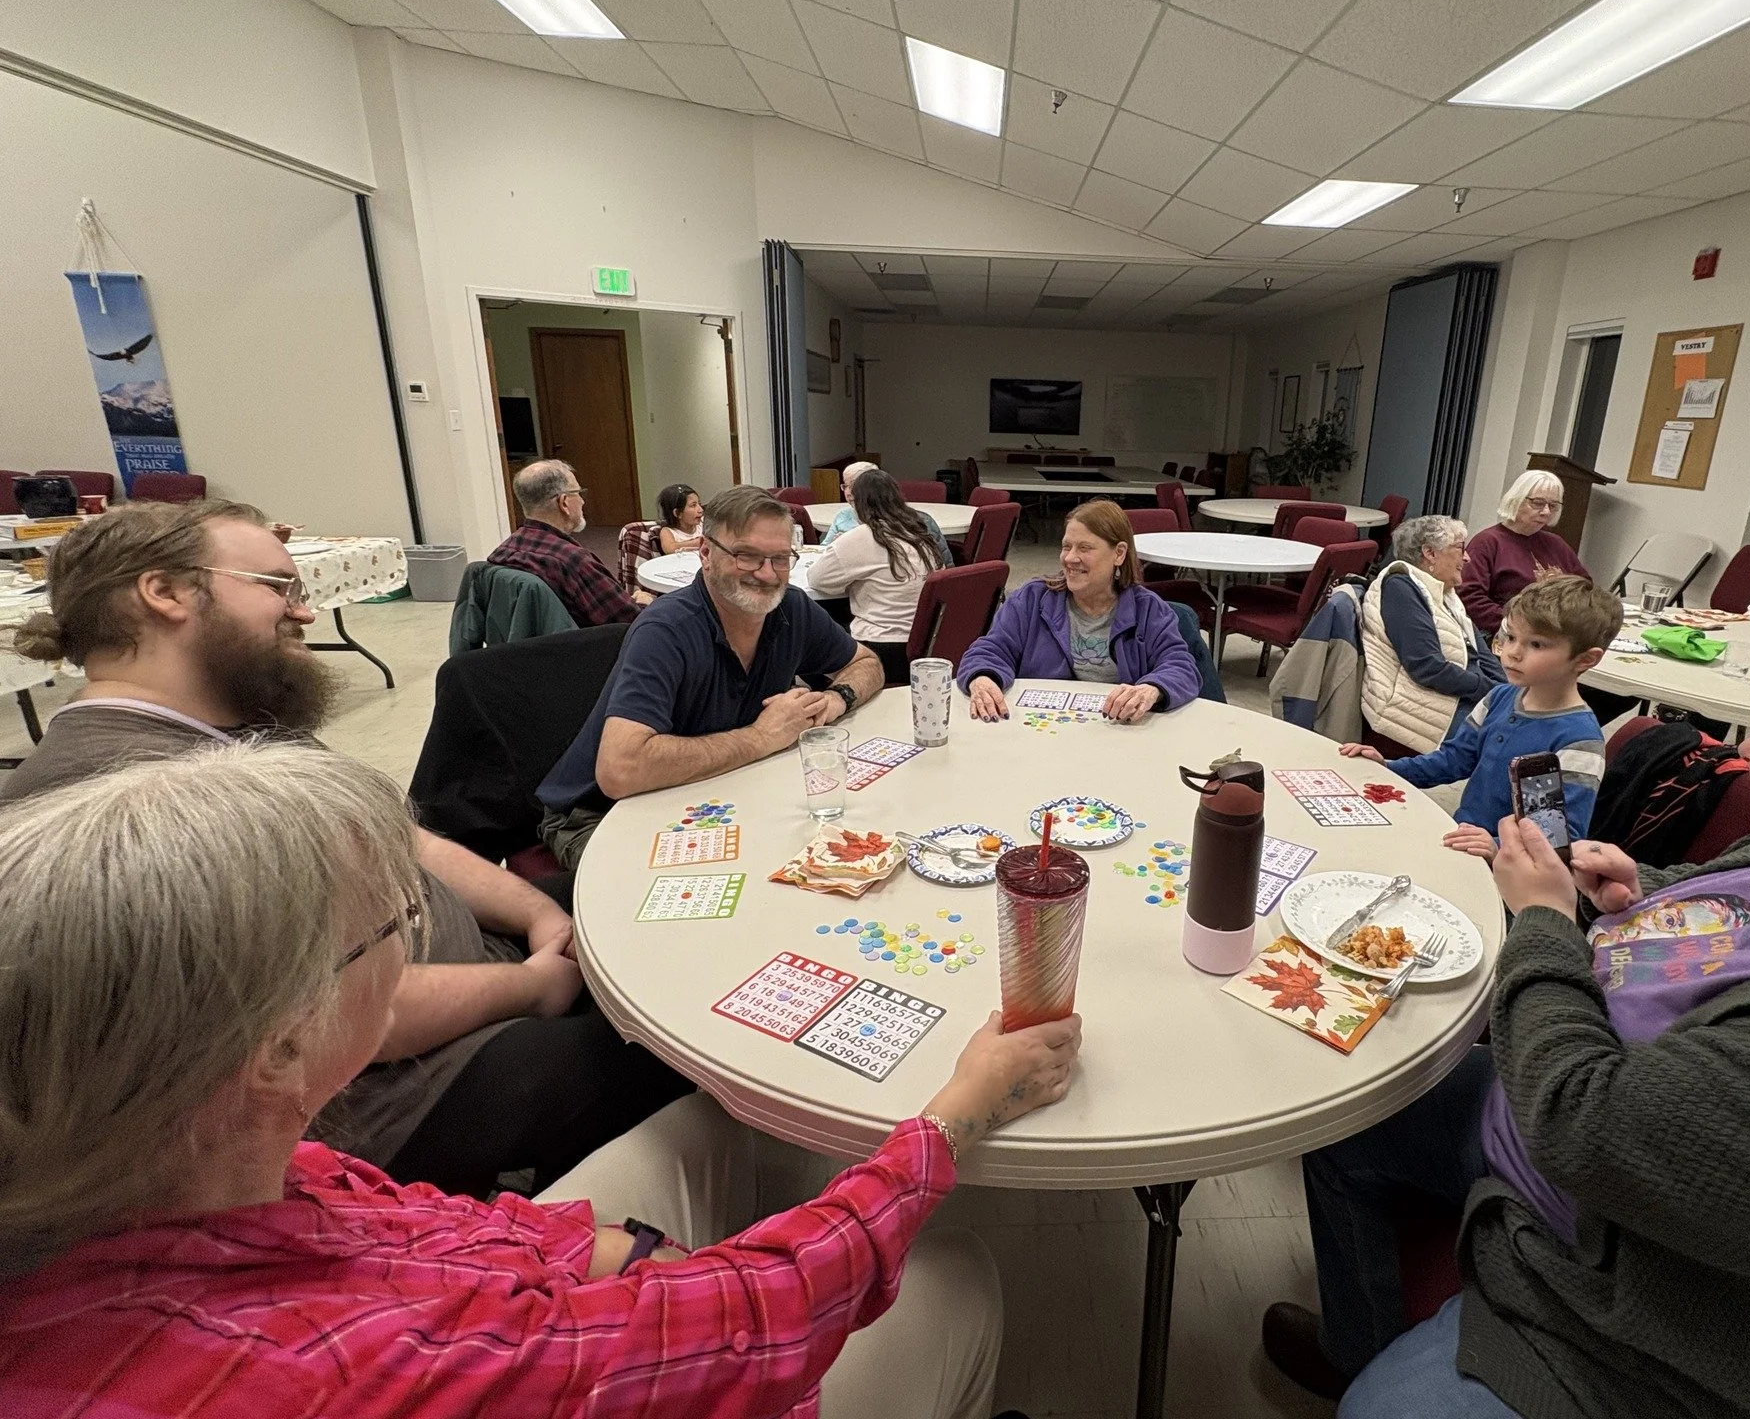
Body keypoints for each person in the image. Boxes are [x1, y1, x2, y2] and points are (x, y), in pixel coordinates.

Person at [0, 741, 1082, 1419]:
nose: (417, 933)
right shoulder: (353, 1372)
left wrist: (622, 1257)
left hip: (514, 1303)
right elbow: (782, 1306)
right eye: (395, 923)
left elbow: (416, 1230)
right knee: (956, 1278)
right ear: (283, 1043)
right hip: (539, 1344)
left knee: (706, 1130)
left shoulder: (218, 1156)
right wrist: (954, 1112)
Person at [1264, 614, 1750, 1418]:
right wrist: (1642, 894)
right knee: (1357, 1116)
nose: (1746, 759)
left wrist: (1543, 924)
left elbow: (1582, 1125)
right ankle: (1351, 1340)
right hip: (1582, 1130)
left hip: (1647, 1306)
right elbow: (1734, 915)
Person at [0, 500, 688, 1194]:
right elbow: (342, 1016)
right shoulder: (130, 810)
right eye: (278, 587)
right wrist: (534, 986)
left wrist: (538, 916)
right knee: (673, 1047)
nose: (303, 614)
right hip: (405, 1088)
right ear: (165, 592)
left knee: (640, 888)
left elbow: (402, 837)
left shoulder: (230, 721)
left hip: (460, 966)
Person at [538, 486, 885, 871]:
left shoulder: (791, 608)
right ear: (705, 553)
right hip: (599, 814)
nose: (767, 574)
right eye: (746, 556)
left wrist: (837, 697)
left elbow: (867, 663)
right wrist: (760, 737)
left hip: (709, 790)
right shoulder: (666, 630)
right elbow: (620, 770)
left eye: (780, 558)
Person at [1342, 575, 1617, 860]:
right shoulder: (1498, 698)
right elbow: (1453, 760)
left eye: (1536, 645)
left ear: (1585, 659)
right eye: (1510, 637)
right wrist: (1388, 767)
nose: (1513, 653)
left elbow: (1559, 837)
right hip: (1463, 840)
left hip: (1513, 871)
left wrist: (1498, 845)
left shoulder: (1577, 740)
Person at [956, 498, 1201, 725]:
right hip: (1040, 731)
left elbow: (1180, 666)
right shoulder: (1031, 599)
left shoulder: (1148, 609)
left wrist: (1151, 689)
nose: (1071, 558)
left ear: (1119, 553)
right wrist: (982, 677)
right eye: (1066, 546)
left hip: (1119, 733)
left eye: (1084, 548)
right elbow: (990, 649)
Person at [1358, 514, 1503, 753]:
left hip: (1455, 700)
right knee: (1521, 746)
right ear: (1430, 553)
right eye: (1459, 548)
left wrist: (1505, 692)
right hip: (1418, 711)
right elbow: (1427, 667)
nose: (1467, 557)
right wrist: (1493, 692)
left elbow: (1481, 654)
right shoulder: (1401, 587)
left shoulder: (1446, 595)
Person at [807, 468, 948, 686]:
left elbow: (816, 579)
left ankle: (842, 695)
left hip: (878, 647)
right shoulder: (918, 533)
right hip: (924, 642)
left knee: (804, 642)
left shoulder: (861, 537)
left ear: (859, 504)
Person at [487, 458, 643, 627]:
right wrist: (643, 601)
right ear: (564, 502)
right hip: (588, 647)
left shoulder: (501, 553)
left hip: (531, 647)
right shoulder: (572, 561)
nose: (582, 501)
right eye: (578, 492)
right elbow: (629, 619)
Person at [1457, 470, 1589, 636]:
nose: (1546, 512)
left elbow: (1585, 587)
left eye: (1553, 506)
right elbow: (1470, 597)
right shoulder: (1487, 542)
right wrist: (1518, 625)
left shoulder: (1556, 543)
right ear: (1515, 500)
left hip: (1557, 633)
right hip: (1506, 634)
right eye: (1538, 503)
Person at [820, 460, 947, 553]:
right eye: (845, 486)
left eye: (855, 486)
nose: (848, 493)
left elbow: (943, 563)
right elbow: (822, 551)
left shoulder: (917, 521)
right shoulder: (843, 516)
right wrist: (834, 546)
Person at [657, 481, 705, 554]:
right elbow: (669, 549)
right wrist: (699, 542)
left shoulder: (703, 523)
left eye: (699, 504)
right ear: (677, 513)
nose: (701, 510)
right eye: (693, 505)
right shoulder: (668, 531)